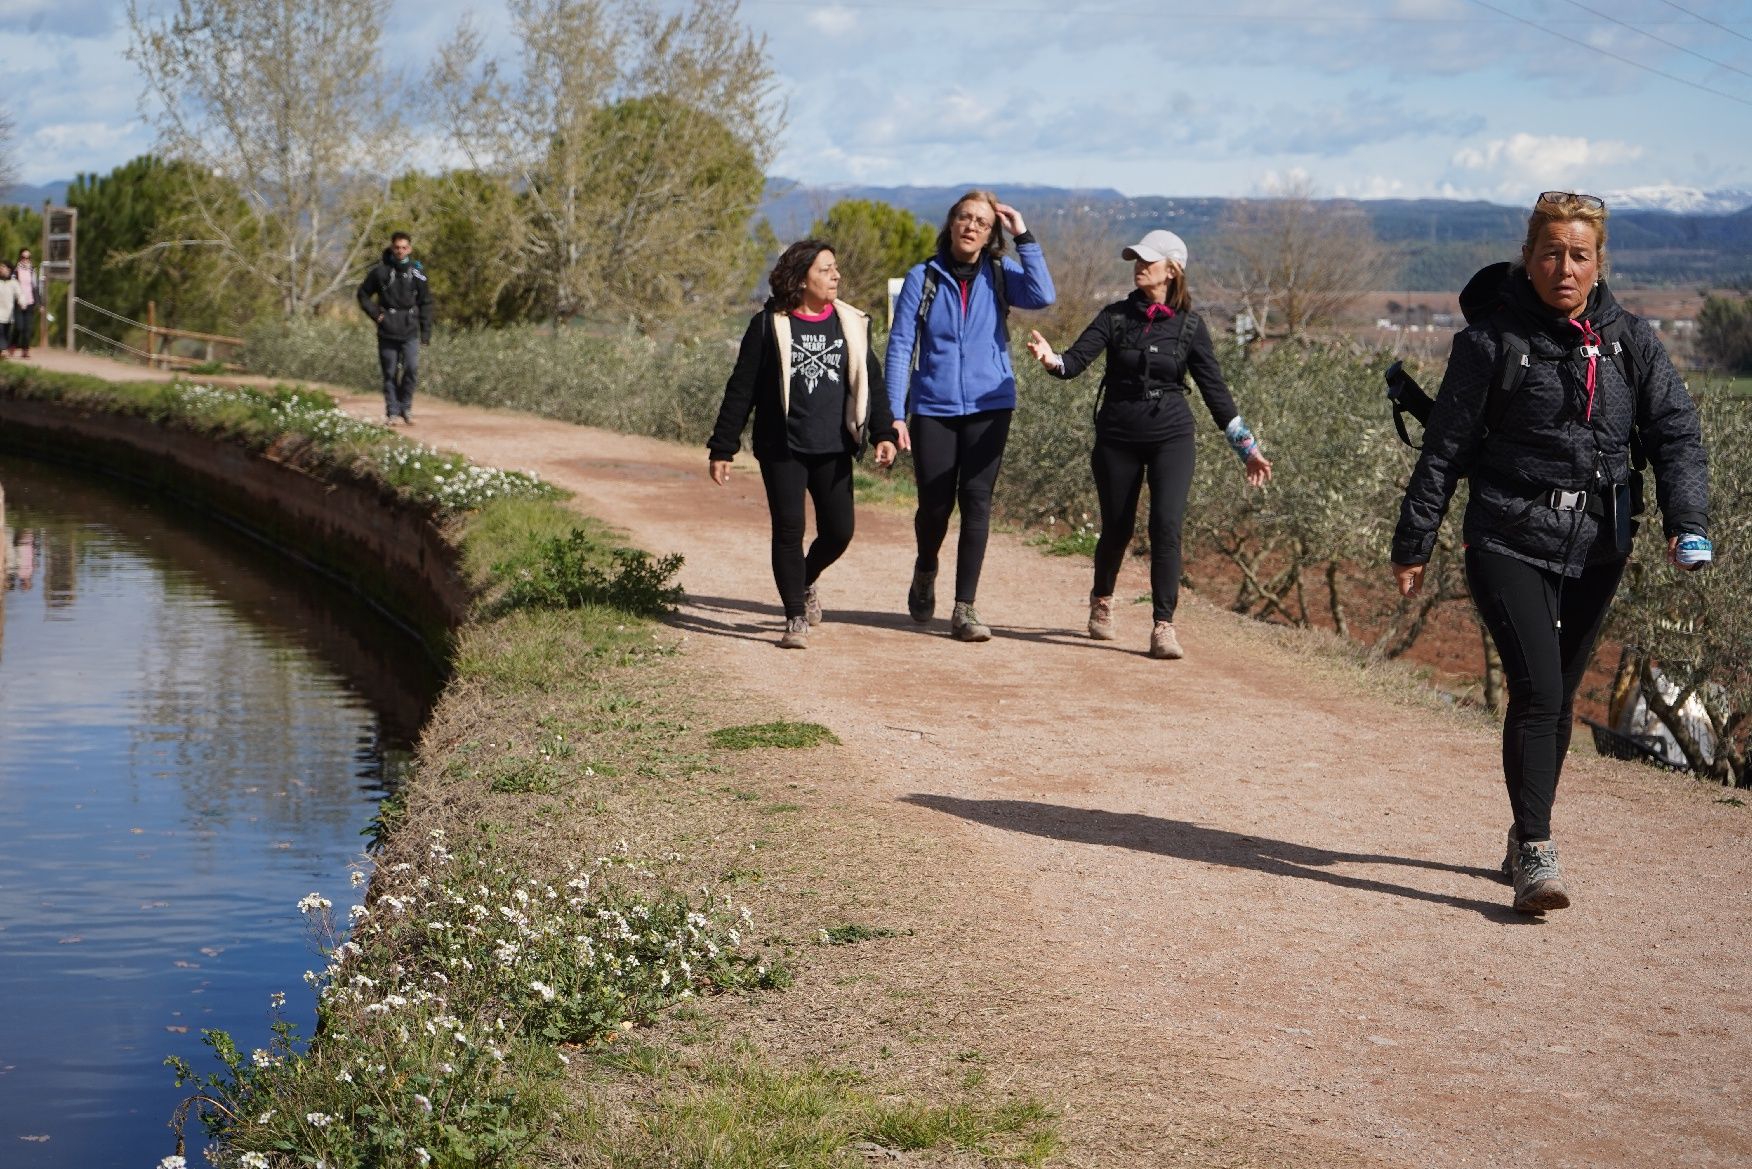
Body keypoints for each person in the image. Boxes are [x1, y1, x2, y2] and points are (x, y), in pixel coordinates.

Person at [1390, 191, 1710, 914]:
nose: (1564, 267)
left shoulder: (1630, 340)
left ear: (1598, 264)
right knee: (1537, 687)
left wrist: (1685, 517)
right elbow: (1443, 450)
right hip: (1505, 535)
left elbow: (1676, 430)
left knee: (1558, 696)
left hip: (1600, 545)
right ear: (1528, 259)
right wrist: (1414, 540)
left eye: (1579, 255)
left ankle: (1519, 833)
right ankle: (1536, 847)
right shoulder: (1488, 345)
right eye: (1551, 253)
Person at [1027, 230, 1272, 660]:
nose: (1139, 266)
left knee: (1166, 527)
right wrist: (1052, 360)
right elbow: (1074, 361)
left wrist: (1247, 448)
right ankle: (1102, 598)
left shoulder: (1190, 327)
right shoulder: (1114, 316)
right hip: (1117, 435)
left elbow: (1216, 393)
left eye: (1148, 261)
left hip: (1171, 436)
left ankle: (1163, 626)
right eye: (1136, 260)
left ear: (1172, 270)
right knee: (1117, 527)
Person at [708, 239, 899, 649]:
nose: (836, 276)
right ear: (801, 278)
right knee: (788, 531)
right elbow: (741, 388)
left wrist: (883, 433)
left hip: (833, 445)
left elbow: (873, 384)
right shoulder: (768, 325)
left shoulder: (851, 323)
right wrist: (723, 446)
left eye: (835, 268)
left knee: (839, 531)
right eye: (826, 270)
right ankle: (795, 615)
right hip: (783, 447)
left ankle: (805, 579)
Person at [883, 190, 1055, 642]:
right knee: (935, 505)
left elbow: (1043, 294)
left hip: (990, 405)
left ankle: (965, 608)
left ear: (990, 233)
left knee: (977, 500)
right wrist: (894, 414)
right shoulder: (923, 277)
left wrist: (1023, 234)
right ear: (951, 223)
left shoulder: (1001, 273)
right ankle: (925, 568)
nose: (972, 226)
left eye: (982, 221)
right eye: (964, 217)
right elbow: (901, 346)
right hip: (933, 407)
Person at [356, 231, 433, 424]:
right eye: (397, 247)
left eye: (404, 247)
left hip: (410, 330)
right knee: (389, 372)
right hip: (387, 329)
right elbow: (363, 294)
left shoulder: (417, 274)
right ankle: (392, 411)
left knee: (411, 369)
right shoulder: (380, 272)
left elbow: (426, 303)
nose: (400, 251)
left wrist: (426, 332)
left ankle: (405, 408)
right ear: (392, 248)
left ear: (410, 249)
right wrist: (376, 314)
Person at [9, 248, 40, 358]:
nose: (25, 260)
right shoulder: (16, 270)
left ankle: (25, 350)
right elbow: (12, 286)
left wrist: (39, 303)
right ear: (20, 257)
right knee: (19, 327)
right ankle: (12, 344)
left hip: (30, 302)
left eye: (28, 258)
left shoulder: (32, 270)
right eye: (23, 257)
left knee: (28, 328)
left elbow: (35, 287)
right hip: (18, 303)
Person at [0, 261, 17, 360]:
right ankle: (3, 349)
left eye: (3, 267)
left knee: (6, 333)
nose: (1, 269)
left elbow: (20, 294)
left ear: (9, 270)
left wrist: (22, 301)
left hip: (9, 315)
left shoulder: (13, 283)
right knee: (0, 331)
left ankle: (2, 351)